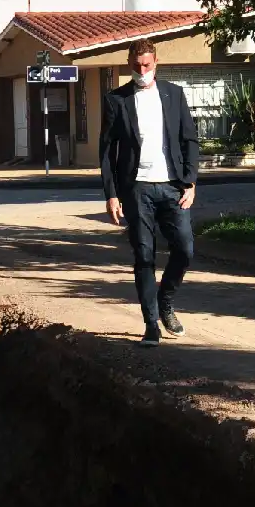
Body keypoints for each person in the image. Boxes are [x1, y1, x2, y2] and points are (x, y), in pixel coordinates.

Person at [99, 40, 199, 347]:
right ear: (129, 63)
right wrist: (112, 194)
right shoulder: (117, 100)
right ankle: (151, 323)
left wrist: (191, 181)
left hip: (172, 186)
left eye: (147, 65)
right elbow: (107, 151)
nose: (142, 71)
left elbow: (189, 140)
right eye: (136, 66)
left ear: (156, 62)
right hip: (136, 189)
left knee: (185, 250)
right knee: (144, 256)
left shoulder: (173, 94)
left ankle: (165, 301)